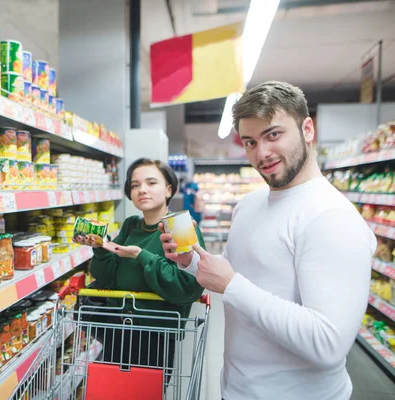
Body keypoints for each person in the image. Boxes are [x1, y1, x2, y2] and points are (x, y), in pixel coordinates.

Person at [160, 81, 376, 400]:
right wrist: (192, 263)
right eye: (250, 142)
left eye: (273, 134)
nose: (261, 153)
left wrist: (231, 285)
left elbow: (328, 343)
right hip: (237, 389)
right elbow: (249, 278)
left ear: (307, 129)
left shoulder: (332, 217)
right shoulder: (249, 205)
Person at [74, 158, 206, 377]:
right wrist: (100, 248)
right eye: (135, 185)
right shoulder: (131, 225)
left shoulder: (180, 227)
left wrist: (141, 255)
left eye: (151, 183)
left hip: (155, 333)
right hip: (117, 327)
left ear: (168, 189)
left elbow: (186, 288)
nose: (142, 190)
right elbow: (107, 279)